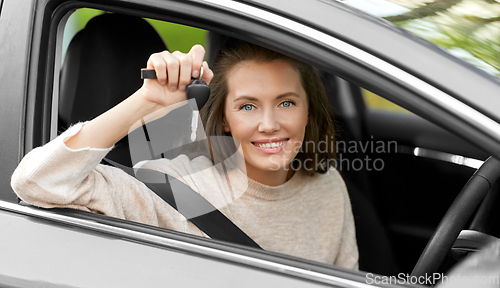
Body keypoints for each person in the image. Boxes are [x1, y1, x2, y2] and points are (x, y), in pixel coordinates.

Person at [11, 39, 358, 269]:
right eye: (248, 106)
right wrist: (147, 101)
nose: (269, 124)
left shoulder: (328, 186)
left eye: (286, 102)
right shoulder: (174, 186)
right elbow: (38, 181)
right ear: (223, 117)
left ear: (308, 111)